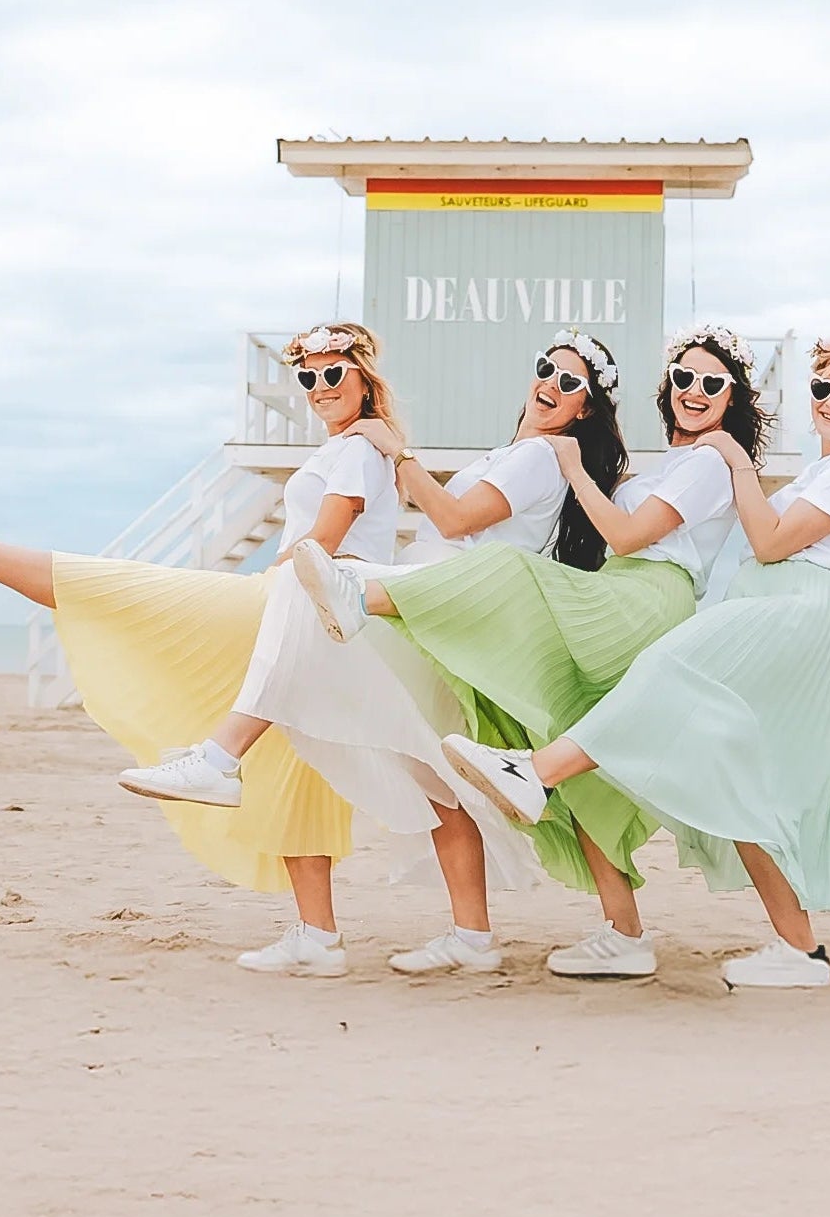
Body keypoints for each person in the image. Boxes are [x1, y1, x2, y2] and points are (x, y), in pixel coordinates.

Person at [0, 322, 399, 977]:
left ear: (364, 378)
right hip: (316, 618)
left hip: (295, 601)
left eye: (334, 374)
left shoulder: (356, 451)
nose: (320, 388)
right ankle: (317, 937)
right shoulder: (360, 449)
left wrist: (282, 576)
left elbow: (320, 547)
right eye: (308, 377)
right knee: (293, 772)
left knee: (122, 591)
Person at [442, 335, 830, 987]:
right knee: (740, 775)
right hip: (780, 605)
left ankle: (538, 771)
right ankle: (799, 950)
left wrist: (738, 465)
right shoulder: (829, 469)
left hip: (794, 611)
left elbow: (770, 540)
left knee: (668, 671)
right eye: (822, 390)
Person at [134, 331, 629, 977]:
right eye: (546, 370)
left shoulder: (536, 458)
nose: (550, 386)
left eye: (570, 384)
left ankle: (222, 756)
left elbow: (453, 522)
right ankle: (472, 939)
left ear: (585, 408)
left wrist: (401, 454)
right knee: (432, 776)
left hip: (443, 605)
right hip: (430, 605)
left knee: (300, 586)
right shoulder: (519, 452)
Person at [297, 324, 764, 978]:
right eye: (684, 377)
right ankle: (624, 934)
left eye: (711, 382)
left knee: (511, 572)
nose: (693, 390)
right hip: (616, 591)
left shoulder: (710, 460)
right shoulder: (677, 464)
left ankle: (360, 599)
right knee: (582, 771)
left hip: (641, 598)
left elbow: (627, 537)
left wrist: (562, 463)